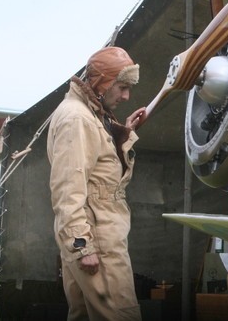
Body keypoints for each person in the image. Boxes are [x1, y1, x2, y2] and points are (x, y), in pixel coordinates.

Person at [47, 46, 147, 320]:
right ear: (102, 82)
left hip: (92, 229)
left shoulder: (88, 114)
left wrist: (125, 131)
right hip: (95, 234)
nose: (126, 96)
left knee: (84, 314)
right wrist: (82, 245)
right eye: (122, 87)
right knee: (120, 314)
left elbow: (97, 166)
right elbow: (68, 187)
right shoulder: (77, 118)